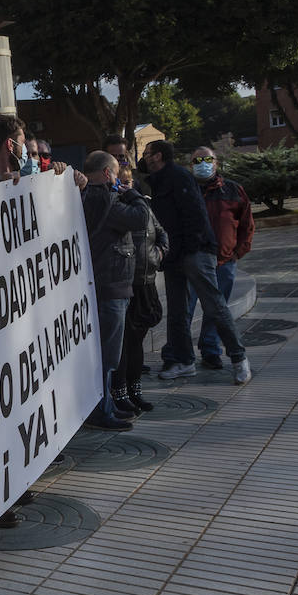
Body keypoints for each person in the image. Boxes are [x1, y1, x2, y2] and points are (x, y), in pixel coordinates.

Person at [139, 140, 251, 384]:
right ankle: (184, 361)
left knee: (214, 306)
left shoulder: (178, 177)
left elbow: (194, 216)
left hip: (194, 252)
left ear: (157, 156)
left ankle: (239, 358)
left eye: (146, 154)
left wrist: (186, 251)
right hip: (175, 254)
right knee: (178, 312)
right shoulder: (158, 178)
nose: (143, 158)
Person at [80, 152, 150, 431]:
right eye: (116, 172)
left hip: (106, 285)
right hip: (110, 288)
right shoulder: (105, 200)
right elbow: (140, 218)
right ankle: (100, 411)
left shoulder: (89, 196)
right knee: (107, 357)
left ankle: (106, 406)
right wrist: (132, 194)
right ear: (108, 174)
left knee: (106, 356)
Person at [185, 146, 255, 370]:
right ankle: (181, 353)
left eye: (207, 159)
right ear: (190, 165)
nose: (202, 164)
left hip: (224, 262)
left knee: (216, 310)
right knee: (184, 310)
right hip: (192, 263)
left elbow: (247, 224)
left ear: (216, 163)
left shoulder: (233, 190)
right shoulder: (186, 190)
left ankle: (210, 350)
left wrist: (237, 252)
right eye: (197, 160)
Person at [114, 164, 168, 414]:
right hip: (125, 284)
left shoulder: (142, 205)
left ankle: (136, 390)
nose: (126, 186)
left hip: (146, 282)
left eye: (129, 181)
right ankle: (120, 392)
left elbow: (160, 233)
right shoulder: (116, 206)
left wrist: (157, 255)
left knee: (137, 343)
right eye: (120, 181)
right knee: (124, 344)